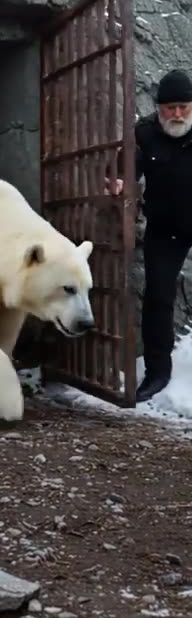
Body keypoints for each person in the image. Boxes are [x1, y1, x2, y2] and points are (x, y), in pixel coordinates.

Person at [105, 69, 192, 402]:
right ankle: (157, 372)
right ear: (159, 109)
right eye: (170, 108)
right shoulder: (144, 134)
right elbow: (122, 169)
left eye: (183, 106)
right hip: (165, 227)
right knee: (158, 297)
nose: (177, 114)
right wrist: (118, 182)